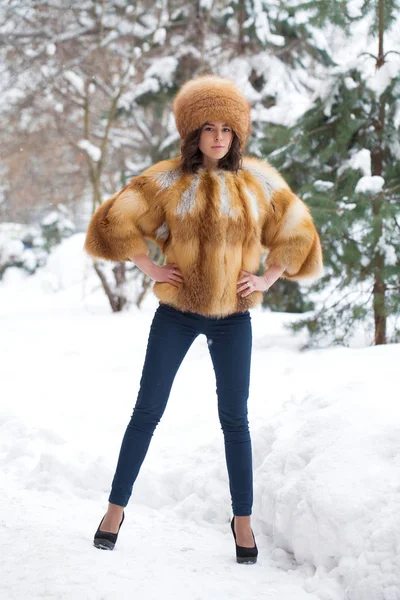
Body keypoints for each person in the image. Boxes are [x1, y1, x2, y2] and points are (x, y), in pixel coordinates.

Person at [84, 74, 323, 563]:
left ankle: (242, 521)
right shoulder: (168, 179)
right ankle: (114, 510)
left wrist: (267, 278)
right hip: (177, 313)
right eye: (208, 127)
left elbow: (298, 227)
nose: (218, 137)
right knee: (146, 412)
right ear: (193, 132)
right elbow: (114, 219)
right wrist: (148, 264)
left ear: (237, 134)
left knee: (235, 419)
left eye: (227, 129)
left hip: (233, 317)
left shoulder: (257, 181)